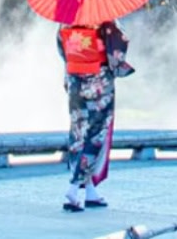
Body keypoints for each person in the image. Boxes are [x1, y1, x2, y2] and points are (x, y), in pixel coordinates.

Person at [57, 18, 132, 212]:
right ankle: (74, 187)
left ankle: (90, 190)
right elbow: (117, 51)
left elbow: (62, 48)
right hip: (98, 82)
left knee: (78, 132)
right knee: (96, 134)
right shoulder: (104, 18)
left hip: (75, 79)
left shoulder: (66, 20)